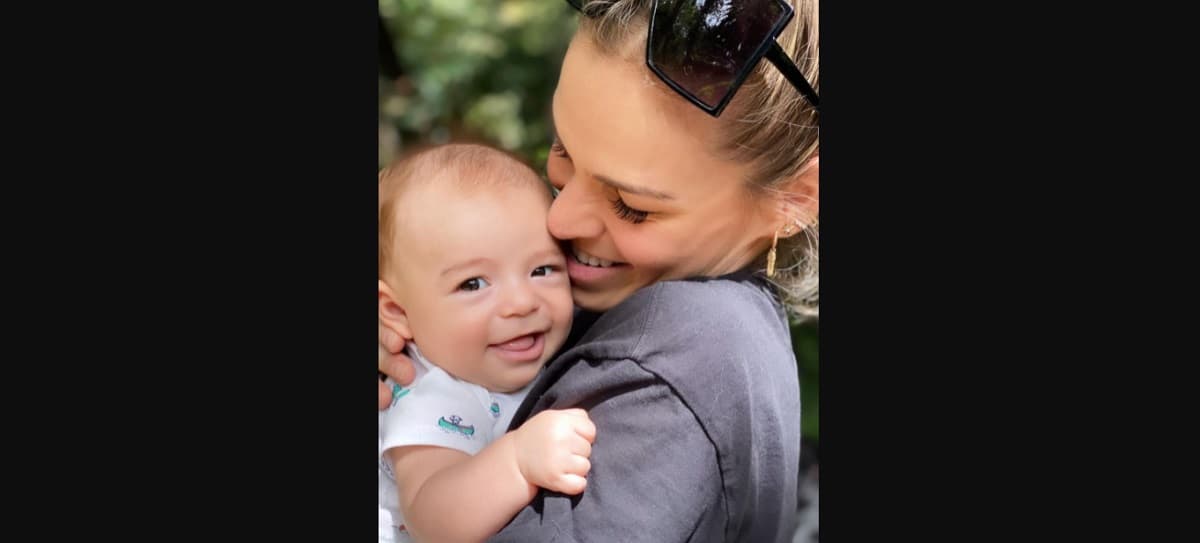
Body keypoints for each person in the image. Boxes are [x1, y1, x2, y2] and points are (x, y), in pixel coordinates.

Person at [380, 1, 819, 540]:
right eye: (563, 150)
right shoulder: (612, 305)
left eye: (632, 204)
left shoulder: (679, 361)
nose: (559, 220)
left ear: (796, 198)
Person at [377, 143, 596, 543]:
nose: (521, 302)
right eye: (473, 284)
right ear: (396, 312)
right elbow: (432, 516)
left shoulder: (494, 359)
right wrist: (517, 460)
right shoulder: (435, 392)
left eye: (541, 269)